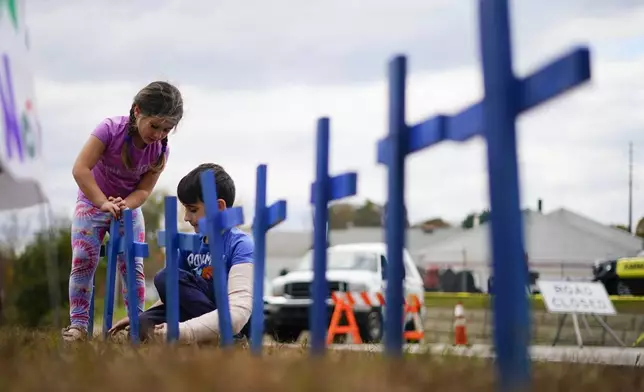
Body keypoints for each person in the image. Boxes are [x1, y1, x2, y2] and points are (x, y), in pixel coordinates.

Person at [63, 81, 184, 342]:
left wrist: (123, 205)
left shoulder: (160, 151)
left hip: (127, 207)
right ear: (137, 110)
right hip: (91, 201)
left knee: (133, 263)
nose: (159, 134)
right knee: (83, 258)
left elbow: (143, 191)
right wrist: (102, 202)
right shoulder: (109, 130)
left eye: (167, 129)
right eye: (155, 126)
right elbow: (80, 169)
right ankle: (78, 325)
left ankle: (136, 324)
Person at [108, 163, 255, 344]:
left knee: (166, 277)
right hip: (196, 311)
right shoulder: (189, 245)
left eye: (193, 210)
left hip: (234, 318)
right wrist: (142, 316)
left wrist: (184, 331)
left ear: (219, 207)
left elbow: (239, 308)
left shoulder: (241, 244)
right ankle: (207, 336)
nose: (186, 217)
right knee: (142, 324)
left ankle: (231, 338)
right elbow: (177, 292)